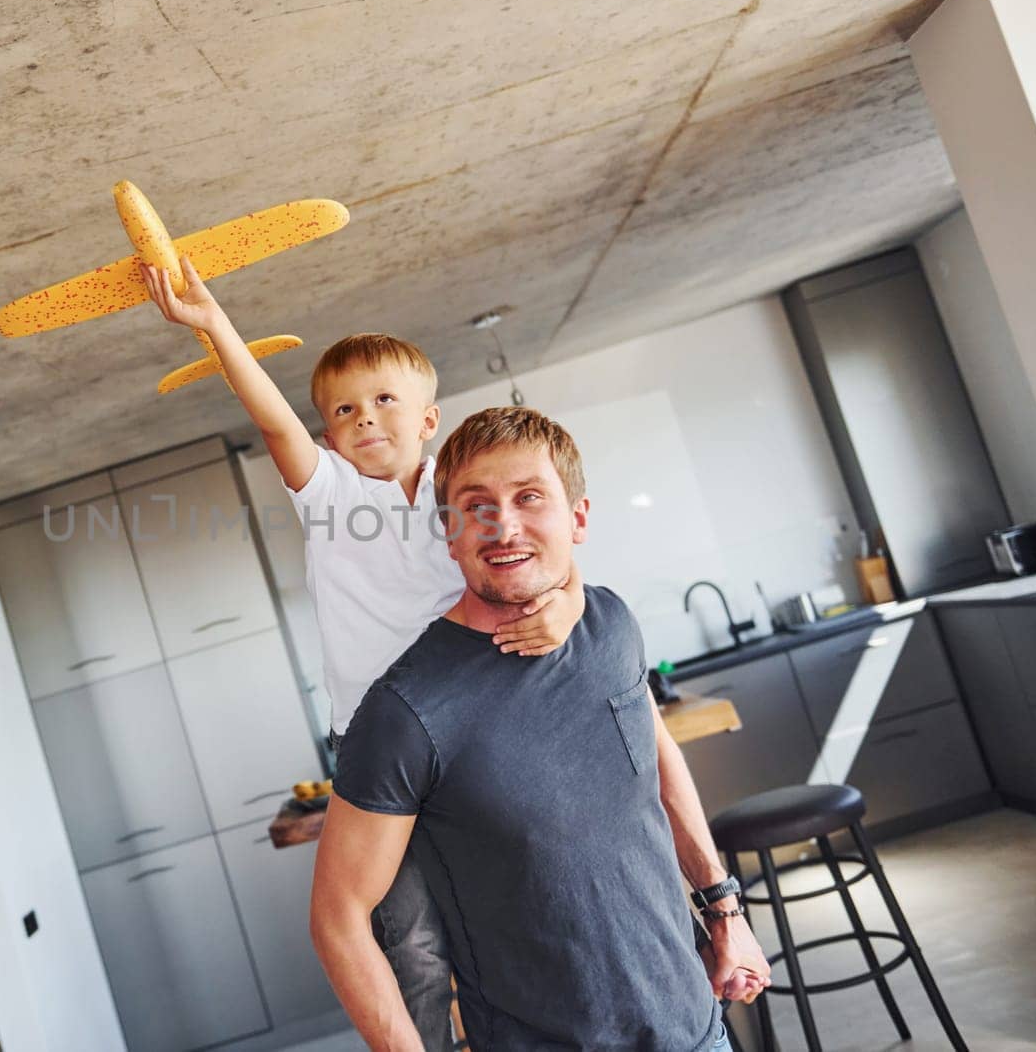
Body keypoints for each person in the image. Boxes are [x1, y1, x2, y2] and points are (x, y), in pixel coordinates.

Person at [141, 259, 587, 1049]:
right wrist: (214, 324)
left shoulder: (461, 495)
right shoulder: (330, 496)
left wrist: (570, 602)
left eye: (385, 400)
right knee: (409, 944)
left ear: (428, 419)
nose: (366, 417)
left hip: (477, 726)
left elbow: (544, 556)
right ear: (328, 435)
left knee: (521, 914)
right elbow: (275, 419)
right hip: (379, 745)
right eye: (344, 409)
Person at [310, 406, 772, 1051]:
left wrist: (724, 913)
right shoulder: (403, 714)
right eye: (475, 505)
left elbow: (658, 766)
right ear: (448, 530)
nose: (503, 526)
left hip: (696, 1030)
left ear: (578, 517)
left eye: (530, 497)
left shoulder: (609, 624)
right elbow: (339, 917)